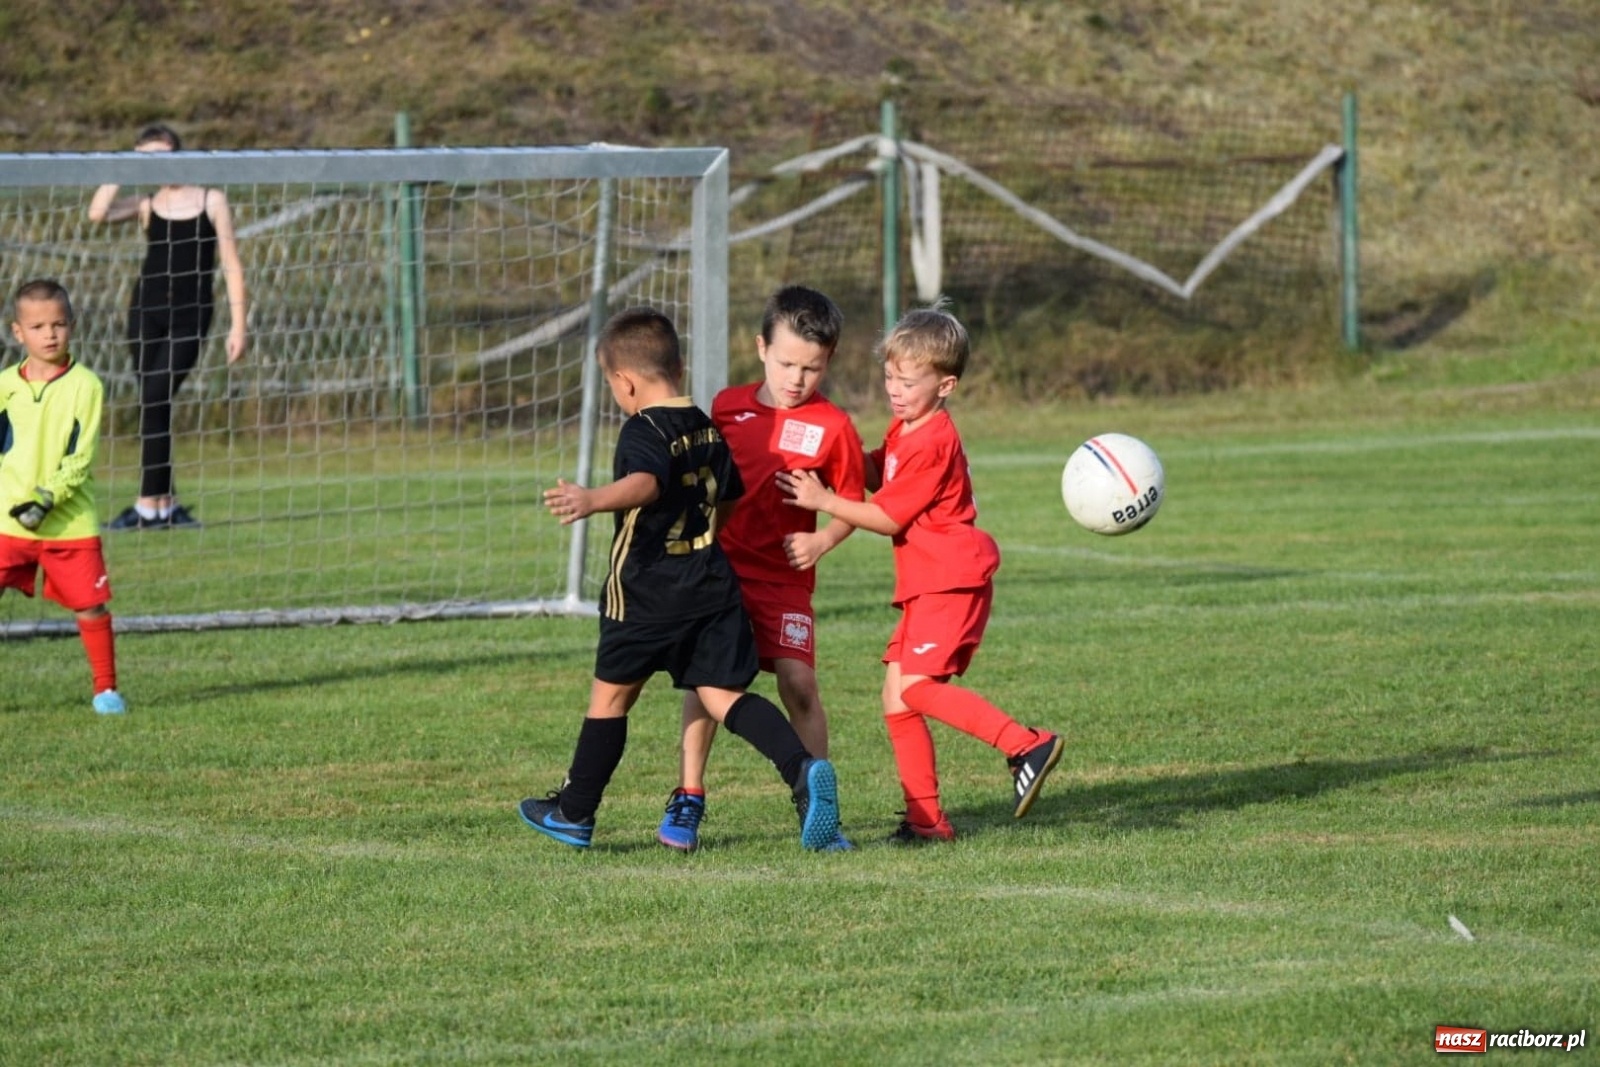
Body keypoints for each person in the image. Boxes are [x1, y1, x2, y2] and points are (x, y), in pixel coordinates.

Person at [519, 306, 843, 852]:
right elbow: (733, 497)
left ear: (625, 382)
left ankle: (574, 813)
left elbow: (646, 482)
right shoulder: (706, 425)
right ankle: (800, 769)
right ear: (678, 363)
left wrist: (594, 499)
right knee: (723, 695)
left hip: (644, 588)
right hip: (710, 585)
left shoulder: (643, 428)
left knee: (612, 699)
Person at [779, 305, 1063, 843]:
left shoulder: (933, 441)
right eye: (889, 376)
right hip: (926, 582)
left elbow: (887, 516)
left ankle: (1027, 744)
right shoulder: (908, 426)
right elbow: (875, 470)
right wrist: (831, 450)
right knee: (896, 698)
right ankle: (927, 821)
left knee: (919, 689)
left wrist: (824, 499)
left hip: (950, 579)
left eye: (908, 381)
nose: (895, 388)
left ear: (946, 384)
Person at [659, 285, 866, 853]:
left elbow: (851, 502)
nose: (797, 379)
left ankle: (817, 801)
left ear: (829, 362)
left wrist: (823, 538)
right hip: (720, 574)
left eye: (812, 368)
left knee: (799, 684)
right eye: (786, 364)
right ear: (760, 348)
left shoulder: (835, 427)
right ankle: (688, 795)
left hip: (784, 579)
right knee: (710, 681)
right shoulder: (726, 406)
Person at [87, 123, 248, 530]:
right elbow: (97, 213)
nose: (157, 164)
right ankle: (165, 505)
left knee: (156, 396)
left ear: (181, 154)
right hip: (146, 312)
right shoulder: (147, 203)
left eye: (163, 154)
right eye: (147, 158)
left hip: (192, 315)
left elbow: (231, 264)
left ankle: (147, 507)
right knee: (151, 403)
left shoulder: (213, 200)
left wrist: (239, 326)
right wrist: (127, 167)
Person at [1, 280, 126, 715]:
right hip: (7, 523)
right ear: (18, 332)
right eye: (37, 326)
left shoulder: (85, 386)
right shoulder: (5, 386)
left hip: (68, 522)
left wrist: (46, 498)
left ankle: (106, 690)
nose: (49, 334)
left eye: (58, 324)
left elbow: (80, 456)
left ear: (72, 326)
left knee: (91, 606)